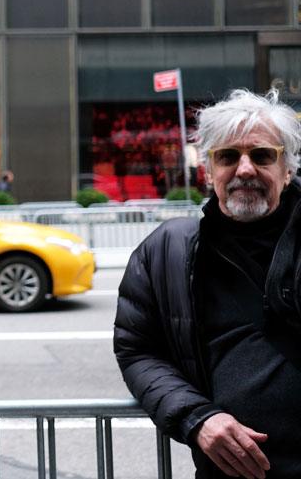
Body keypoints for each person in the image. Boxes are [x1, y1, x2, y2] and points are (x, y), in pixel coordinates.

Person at [114, 89, 301, 479]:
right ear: (208, 170)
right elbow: (138, 351)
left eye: (263, 155)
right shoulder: (166, 251)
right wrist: (197, 418)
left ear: (288, 169)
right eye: (228, 156)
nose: (245, 169)